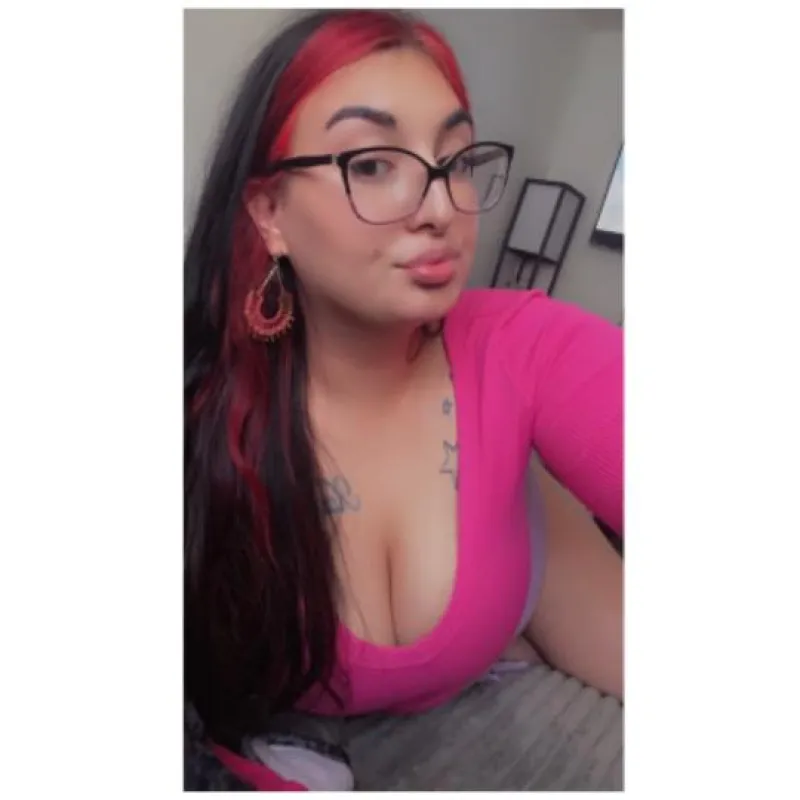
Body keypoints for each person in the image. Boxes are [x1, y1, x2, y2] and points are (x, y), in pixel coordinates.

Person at [184, 8, 623, 791]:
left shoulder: (522, 344)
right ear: (270, 214)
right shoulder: (199, 415)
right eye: (372, 164)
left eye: (456, 161)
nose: (442, 207)